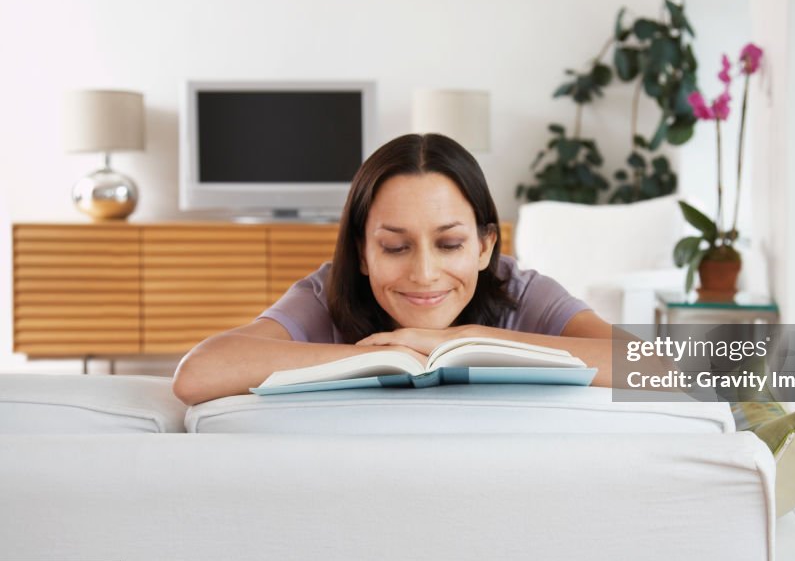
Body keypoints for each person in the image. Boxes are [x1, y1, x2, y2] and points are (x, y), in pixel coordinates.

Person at [172, 133, 613, 405]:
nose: (424, 273)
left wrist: (466, 339)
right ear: (363, 253)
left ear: (484, 247)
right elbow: (199, 373)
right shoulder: (325, 295)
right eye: (396, 246)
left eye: (450, 244)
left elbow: (673, 367)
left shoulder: (518, 289)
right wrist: (382, 356)